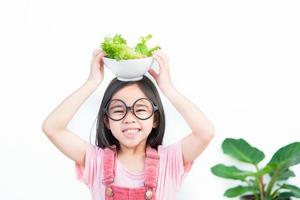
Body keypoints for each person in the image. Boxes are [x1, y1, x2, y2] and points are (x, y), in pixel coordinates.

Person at [41, 48, 215, 200]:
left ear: (155, 118)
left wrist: (167, 87)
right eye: (118, 110)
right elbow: (52, 128)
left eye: (140, 109)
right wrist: (91, 83)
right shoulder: (96, 161)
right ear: (107, 121)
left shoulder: (169, 161)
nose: (129, 118)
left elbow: (205, 132)